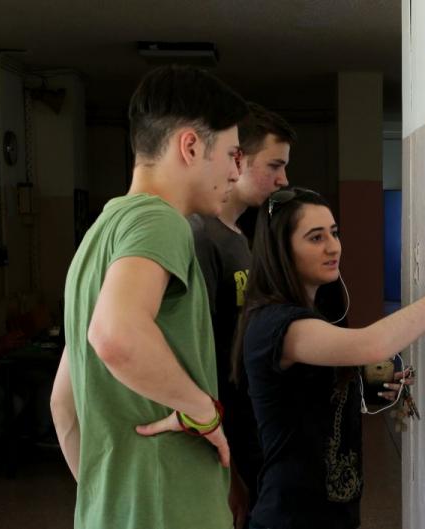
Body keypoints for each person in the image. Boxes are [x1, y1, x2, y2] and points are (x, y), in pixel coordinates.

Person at [49, 64, 248, 529]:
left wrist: (113, 503)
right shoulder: (161, 222)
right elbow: (116, 335)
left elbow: (64, 403)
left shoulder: (99, 233)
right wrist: (204, 412)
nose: (237, 174)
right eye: (233, 155)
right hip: (171, 511)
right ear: (191, 145)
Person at [234, 187, 425, 529]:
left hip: (333, 514)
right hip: (291, 517)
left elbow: (312, 397)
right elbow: (373, 344)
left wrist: (368, 391)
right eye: (315, 238)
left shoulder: (315, 312)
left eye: (334, 232)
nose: (333, 246)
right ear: (281, 251)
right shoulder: (275, 325)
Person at [188, 103, 296, 527]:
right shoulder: (200, 236)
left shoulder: (241, 238)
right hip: (221, 432)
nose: (283, 179)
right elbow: (198, 358)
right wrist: (225, 465)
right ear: (238, 159)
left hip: (250, 425)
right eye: (274, 165)